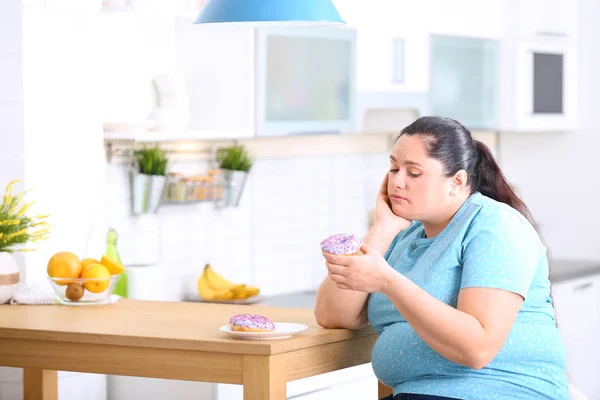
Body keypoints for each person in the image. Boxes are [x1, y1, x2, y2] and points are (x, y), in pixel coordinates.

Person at [314, 116, 568, 400]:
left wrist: (388, 281)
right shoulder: (405, 237)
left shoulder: (495, 226)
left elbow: (477, 348)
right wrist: (383, 227)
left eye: (414, 173)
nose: (397, 182)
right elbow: (333, 315)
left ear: (456, 182)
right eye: (394, 168)